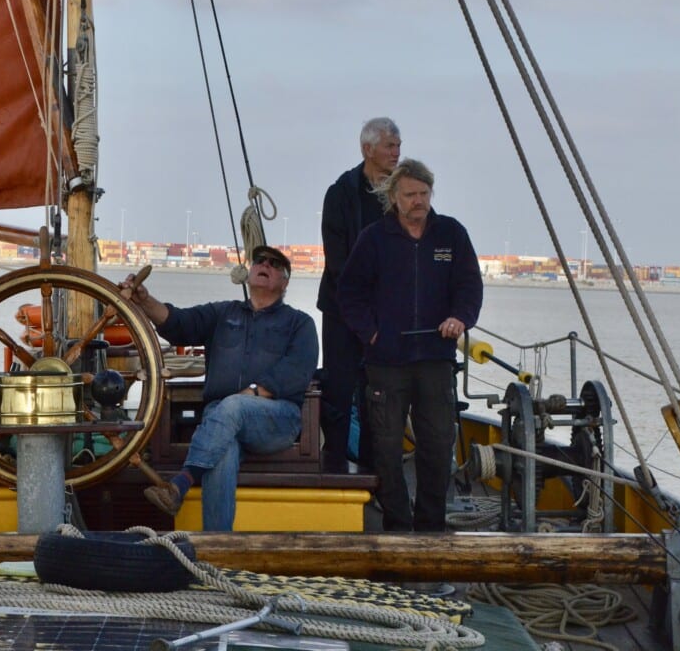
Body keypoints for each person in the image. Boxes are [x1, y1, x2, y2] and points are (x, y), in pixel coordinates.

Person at [125, 245, 318, 530]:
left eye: (275, 264)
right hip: (223, 420)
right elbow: (177, 322)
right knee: (222, 451)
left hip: (277, 419)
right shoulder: (222, 314)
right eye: (260, 261)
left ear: (285, 282)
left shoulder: (300, 323)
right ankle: (215, 551)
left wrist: (251, 394)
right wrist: (144, 300)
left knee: (231, 406)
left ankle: (181, 483)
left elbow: (296, 373)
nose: (265, 264)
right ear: (248, 272)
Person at [338, 158, 482, 532]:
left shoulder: (451, 234)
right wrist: (370, 333)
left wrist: (460, 318)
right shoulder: (374, 238)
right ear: (393, 197)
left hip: (436, 358)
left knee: (437, 447)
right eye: (410, 195)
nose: (418, 201)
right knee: (385, 450)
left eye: (424, 193)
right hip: (386, 361)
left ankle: (431, 527)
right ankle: (398, 526)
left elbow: (469, 287)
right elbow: (349, 293)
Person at [316, 117, 401, 471]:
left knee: (378, 393)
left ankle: (373, 468)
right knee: (338, 387)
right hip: (341, 309)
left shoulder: (402, 193)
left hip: (385, 314)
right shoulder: (341, 192)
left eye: (398, 145)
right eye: (390, 146)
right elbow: (337, 258)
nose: (397, 152)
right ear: (368, 150)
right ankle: (334, 464)